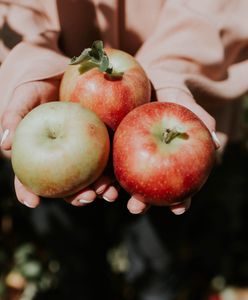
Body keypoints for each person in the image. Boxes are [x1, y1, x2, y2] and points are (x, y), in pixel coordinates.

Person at [0, 0, 247, 299]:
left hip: (173, 108)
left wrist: (173, 68)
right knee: (74, 253)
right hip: (55, 110)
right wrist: (31, 63)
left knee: (157, 258)